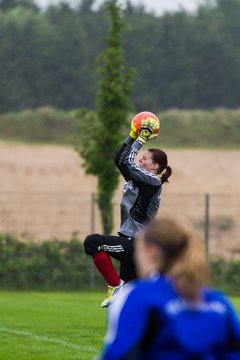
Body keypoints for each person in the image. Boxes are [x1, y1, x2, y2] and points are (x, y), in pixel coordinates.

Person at [98, 217, 240, 360]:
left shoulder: (139, 297)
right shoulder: (219, 303)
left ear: (151, 251)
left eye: (138, 250)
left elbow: (119, 355)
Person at [84, 116, 172, 308]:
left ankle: (115, 286)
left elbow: (127, 161)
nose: (141, 158)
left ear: (155, 166)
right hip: (131, 242)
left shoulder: (151, 182)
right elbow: (120, 160)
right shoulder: (139, 179)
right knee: (128, 302)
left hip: (137, 244)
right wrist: (132, 135)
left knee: (93, 243)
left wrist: (142, 139)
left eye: (145, 158)